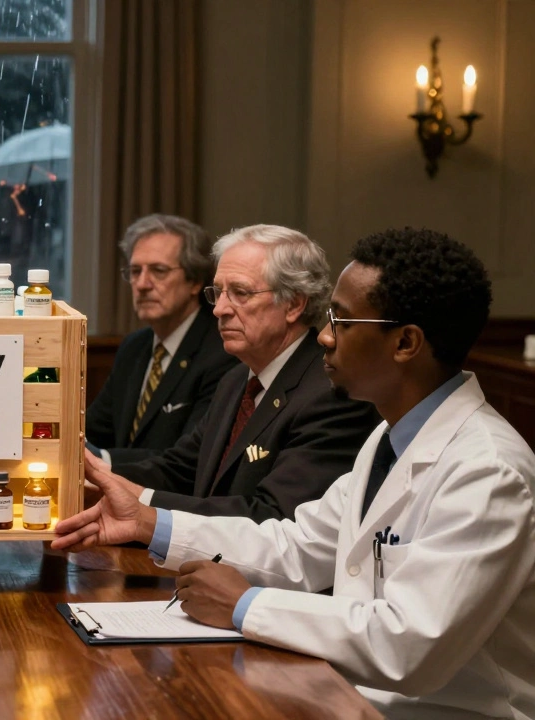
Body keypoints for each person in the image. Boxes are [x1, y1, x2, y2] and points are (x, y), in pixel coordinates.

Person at [55, 228, 535, 718]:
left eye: (342, 321)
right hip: (353, 696)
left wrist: (246, 606)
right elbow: (298, 546)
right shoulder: (388, 438)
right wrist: (146, 521)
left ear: (406, 342)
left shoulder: (488, 472)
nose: (324, 335)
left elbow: (410, 646)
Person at [90, 224, 380, 521]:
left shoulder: (331, 394)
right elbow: (180, 469)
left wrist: (140, 500)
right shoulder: (237, 379)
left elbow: (272, 514)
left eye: (240, 293)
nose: (220, 309)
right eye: (218, 292)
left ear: (293, 304)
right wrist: (92, 470)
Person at [85, 214, 239, 464]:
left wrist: (101, 460)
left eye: (158, 271)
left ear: (194, 281)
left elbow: (187, 459)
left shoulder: (222, 350)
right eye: (135, 271)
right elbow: (94, 430)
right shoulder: (135, 346)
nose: (142, 284)